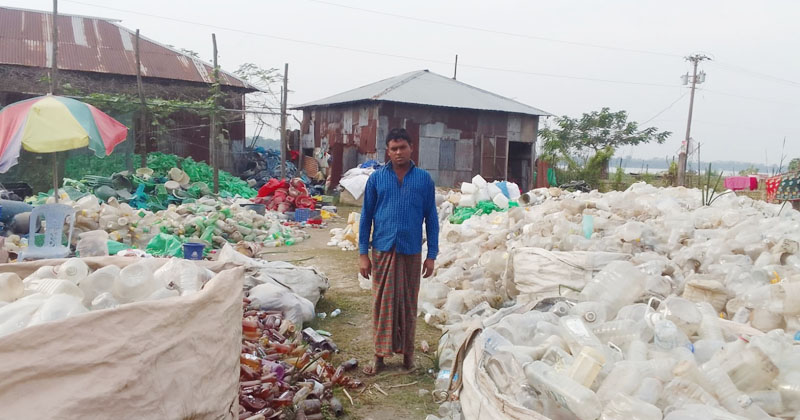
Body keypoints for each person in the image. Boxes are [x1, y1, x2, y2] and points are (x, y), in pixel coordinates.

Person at [358, 127, 439, 375]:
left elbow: (432, 219)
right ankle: (379, 356)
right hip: (382, 249)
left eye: (402, 147)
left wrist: (432, 255)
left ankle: (408, 355)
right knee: (382, 304)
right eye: (393, 148)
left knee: (407, 303)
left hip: (411, 250)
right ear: (387, 151)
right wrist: (363, 253)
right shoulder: (377, 179)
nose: (398, 152)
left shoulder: (423, 179)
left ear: (411, 148)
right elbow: (366, 217)